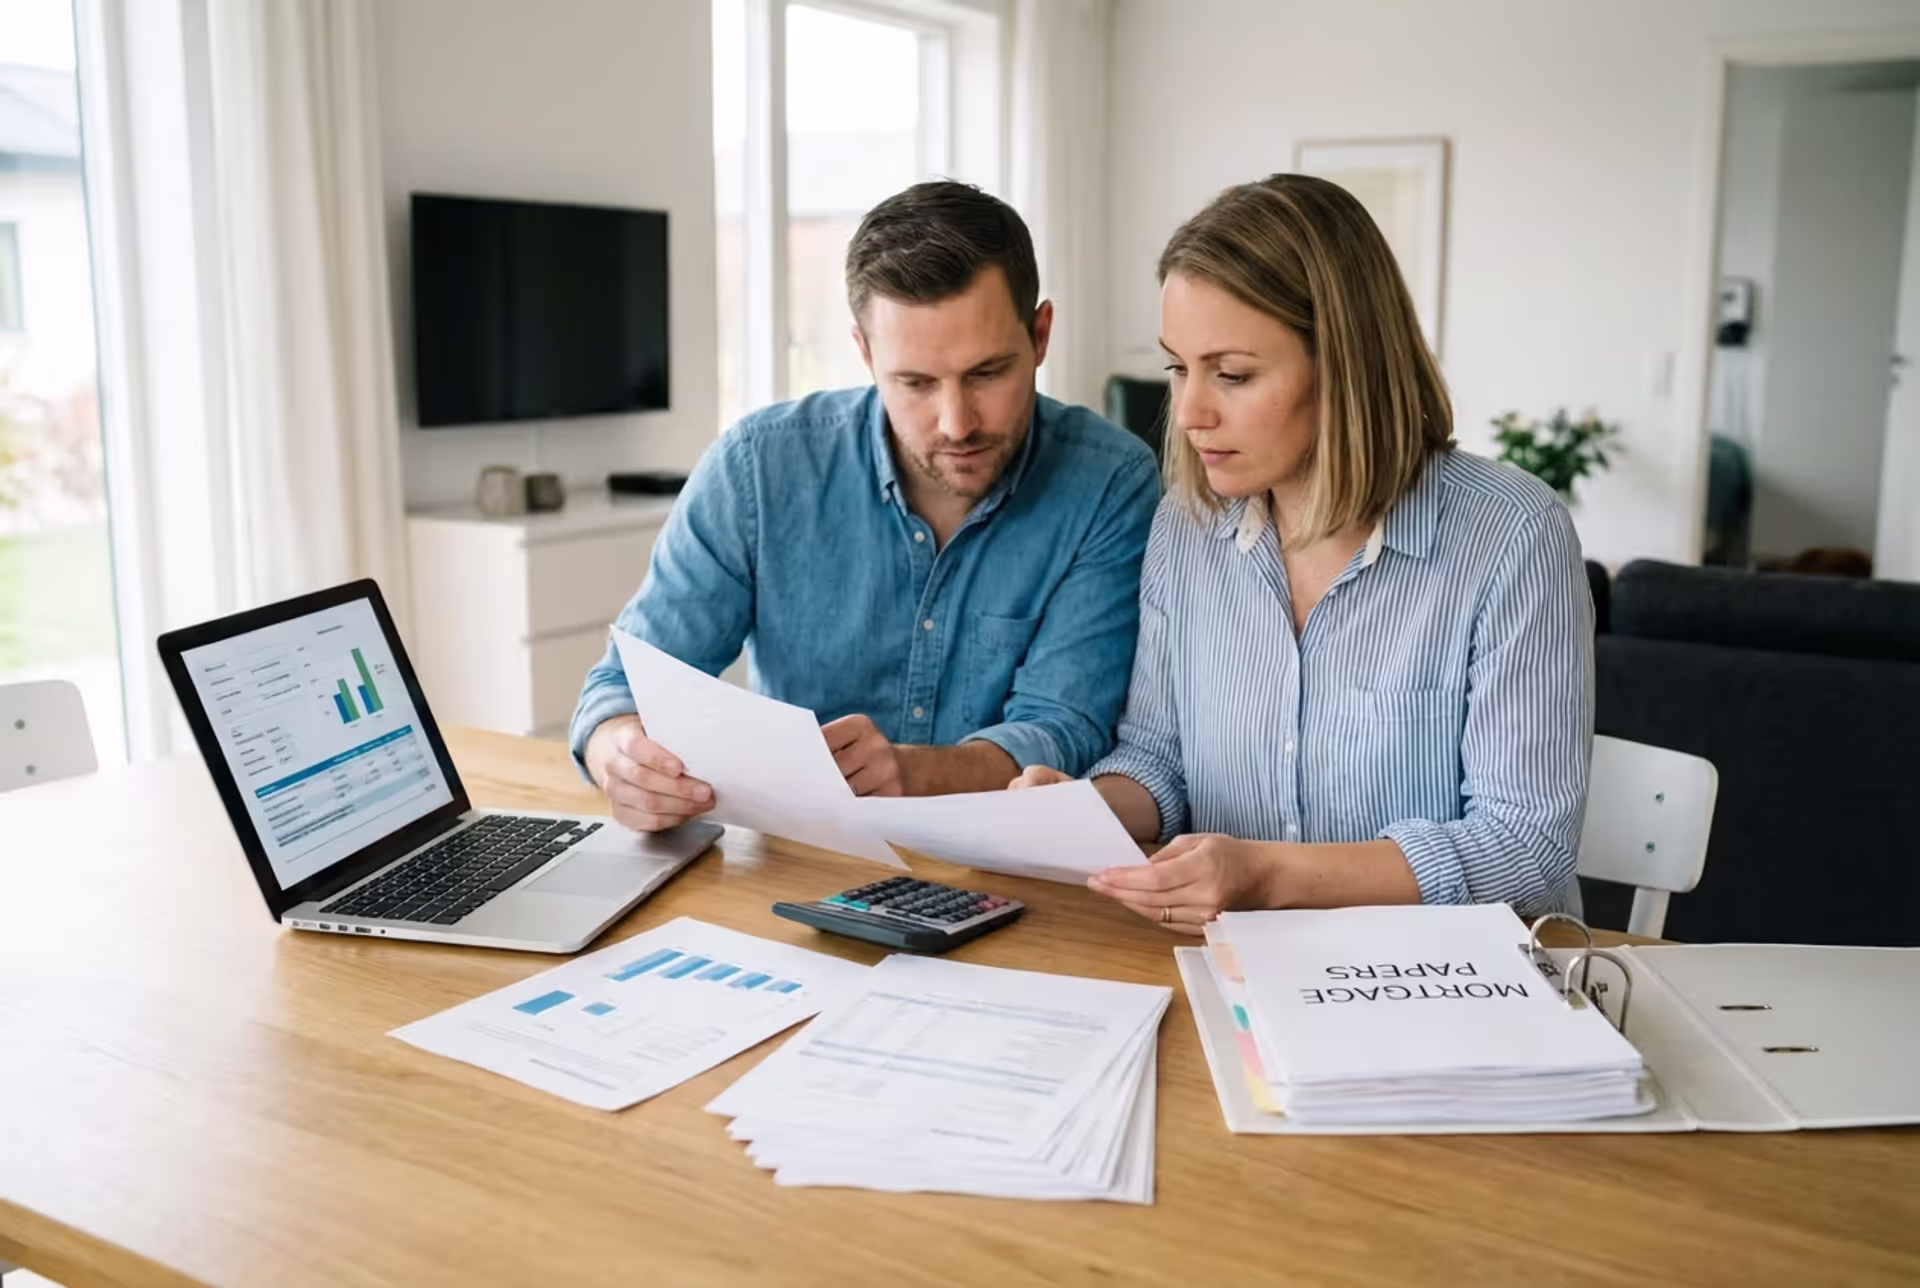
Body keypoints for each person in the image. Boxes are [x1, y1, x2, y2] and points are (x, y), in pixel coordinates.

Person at [1014, 174, 1593, 931]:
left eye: (1233, 374)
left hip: (1445, 987)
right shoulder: (1187, 529)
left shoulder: (1514, 539)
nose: (1188, 412)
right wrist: (1081, 810)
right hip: (1234, 968)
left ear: (1345, 365)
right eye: (1179, 368)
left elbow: (1527, 852)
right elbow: (1158, 758)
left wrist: (1263, 875)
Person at [572, 180, 1160, 834]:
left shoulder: (1111, 480)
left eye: (988, 373)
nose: (956, 422)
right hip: (796, 863)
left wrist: (911, 775)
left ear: (1041, 335)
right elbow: (622, 687)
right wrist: (619, 754)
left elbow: (1062, 725)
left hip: (1004, 870)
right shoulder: (756, 469)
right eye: (915, 382)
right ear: (865, 353)